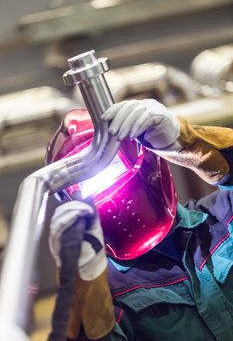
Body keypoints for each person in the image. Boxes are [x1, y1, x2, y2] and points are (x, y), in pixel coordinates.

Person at [46, 99, 233, 341]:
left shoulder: (222, 219)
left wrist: (186, 141)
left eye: (111, 163)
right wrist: (84, 283)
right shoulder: (107, 293)